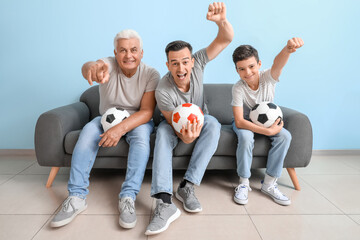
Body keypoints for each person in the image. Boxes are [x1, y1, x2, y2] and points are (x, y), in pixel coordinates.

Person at [50, 29, 160, 229]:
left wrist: (119, 129)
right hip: (105, 118)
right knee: (86, 134)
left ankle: (128, 197)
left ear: (141, 53)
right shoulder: (107, 64)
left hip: (137, 120)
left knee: (142, 139)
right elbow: (91, 67)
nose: (128, 55)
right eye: (123, 50)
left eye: (134, 50)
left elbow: (146, 112)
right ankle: (76, 197)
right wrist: (91, 67)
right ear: (115, 53)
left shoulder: (151, 74)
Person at [145, 2, 234, 235]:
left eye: (185, 61)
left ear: (192, 62)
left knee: (213, 123)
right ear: (168, 65)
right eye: (174, 63)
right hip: (173, 126)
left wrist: (221, 22)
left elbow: (225, 39)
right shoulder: (162, 90)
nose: (181, 67)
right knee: (163, 133)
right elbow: (177, 130)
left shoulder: (199, 63)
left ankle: (187, 187)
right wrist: (184, 137)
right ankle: (164, 201)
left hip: (201, 121)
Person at [231, 38, 304, 206]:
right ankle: (243, 183)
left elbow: (278, 64)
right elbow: (240, 121)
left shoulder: (268, 78)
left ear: (259, 64)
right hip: (246, 122)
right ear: (237, 70)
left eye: (251, 66)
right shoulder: (238, 88)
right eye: (242, 69)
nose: (247, 72)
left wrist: (287, 49)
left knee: (285, 136)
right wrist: (269, 132)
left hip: (267, 122)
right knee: (246, 138)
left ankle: (270, 183)